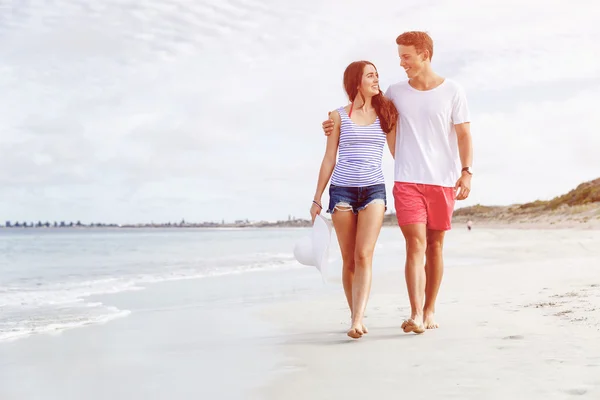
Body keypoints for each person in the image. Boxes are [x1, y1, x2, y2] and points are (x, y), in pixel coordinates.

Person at [322, 32, 473, 334]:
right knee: (415, 244)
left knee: (435, 246)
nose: (401, 63)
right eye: (400, 56)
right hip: (406, 179)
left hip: (442, 180)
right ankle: (416, 314)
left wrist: (466, 170)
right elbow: (362, 106)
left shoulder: (453, 91)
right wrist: (332, 123)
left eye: (406, 56)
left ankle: (430, 310)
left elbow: (464, 134)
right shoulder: (395, 92)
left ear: (425, 54)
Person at [310, 60, 398, 339]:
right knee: (349, 259)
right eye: (370, 75)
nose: (376, 79)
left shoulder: (386, 112)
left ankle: (358, 319)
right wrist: (316, 198)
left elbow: (398, 151)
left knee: (364, 254)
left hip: (374, 190)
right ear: (356, 82)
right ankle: (354, 317)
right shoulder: (337, 116)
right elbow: (329, 159)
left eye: (377, 75)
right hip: (342, 192)